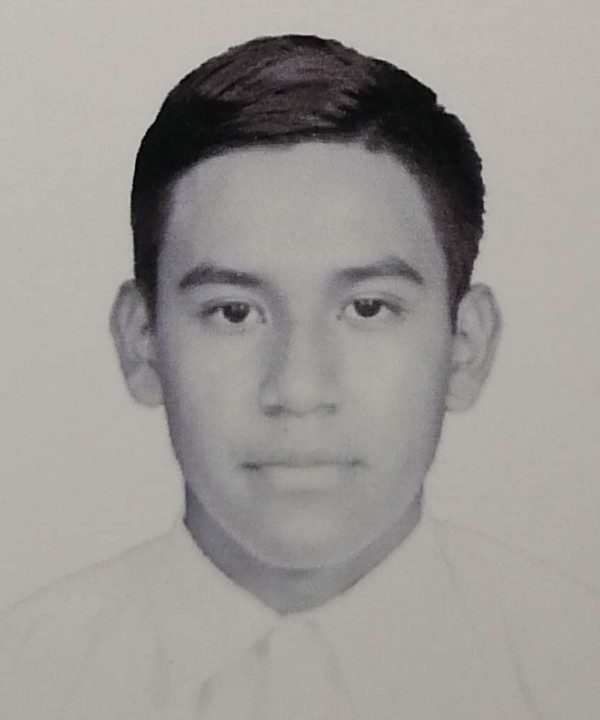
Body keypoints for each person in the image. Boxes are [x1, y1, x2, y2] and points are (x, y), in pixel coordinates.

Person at [0, 34, 598, 719]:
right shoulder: (24, 681)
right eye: (234, 312)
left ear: (466, 345)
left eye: (368, 308)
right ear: (142, 344)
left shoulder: (575, 671)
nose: (299, 390)